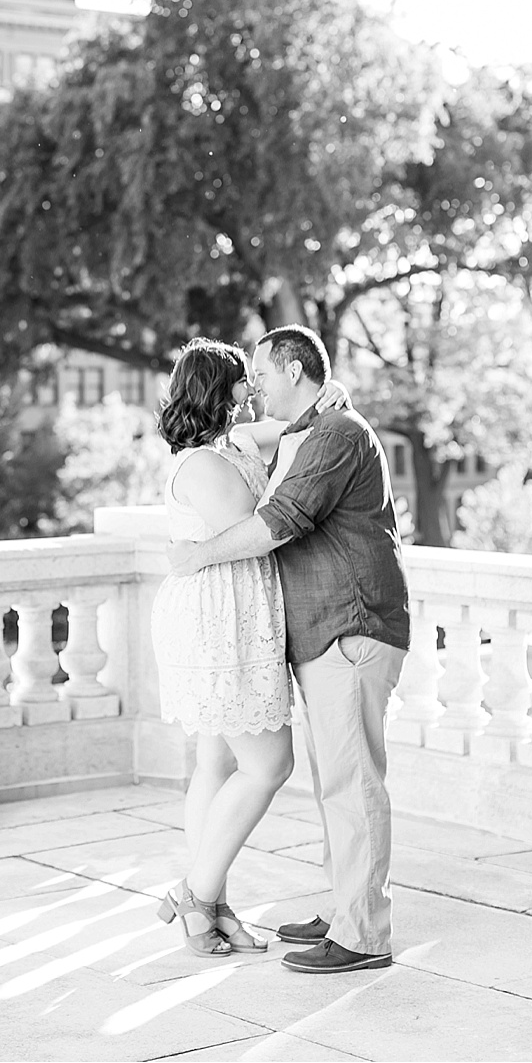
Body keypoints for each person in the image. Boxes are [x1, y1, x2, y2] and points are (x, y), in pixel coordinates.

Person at [168, 325, 410, 975]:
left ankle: (361, 935)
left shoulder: (333, 433)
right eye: (245, 377)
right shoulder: (306, 431)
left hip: (350, 625)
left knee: (350, 782)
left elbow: (280, 522)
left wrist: (195, 557)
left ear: (295, 370)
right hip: (313, 628)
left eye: (264, 373)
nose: (256, 385)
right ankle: (341, 910)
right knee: (334, 779)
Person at [150, 338, 344, 957]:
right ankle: (196, 895)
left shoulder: (234, 444)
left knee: (216, 765)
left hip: (236, 612)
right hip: (217, 621)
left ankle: (211, 907)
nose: (255, 388)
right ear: (222, 390)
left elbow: (292, 423)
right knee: (269, 766)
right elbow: (263, 525)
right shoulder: (202, 463)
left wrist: (332, 398)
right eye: (244, 380)